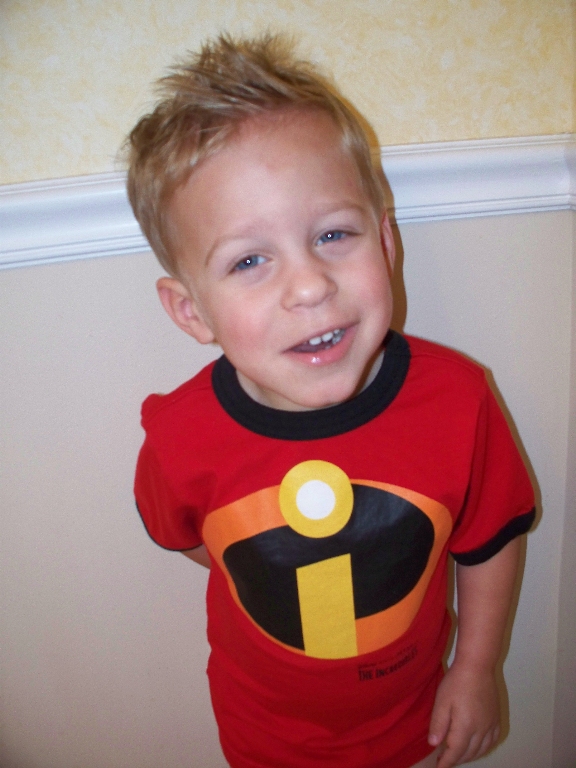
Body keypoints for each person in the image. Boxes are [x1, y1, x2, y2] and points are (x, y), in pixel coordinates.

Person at [126, 33, 535, 768]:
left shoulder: (458, 401)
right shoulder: (181, 435)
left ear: (387, 244)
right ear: (192, 312)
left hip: (417, 723)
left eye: (334, 234)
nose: (310, 285)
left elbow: (490, 539)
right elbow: (191, 538)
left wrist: (477, 668)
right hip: (265, 735)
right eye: (250, 260)